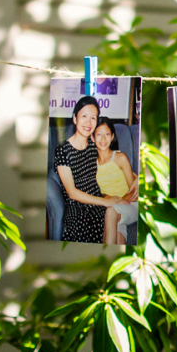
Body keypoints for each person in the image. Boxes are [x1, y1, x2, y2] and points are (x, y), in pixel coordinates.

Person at [55, 96, 122, 243]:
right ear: (74, 118)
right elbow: (72, 193)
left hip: (98, 202)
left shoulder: (94, 146)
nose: (88, 122)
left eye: (93, 118)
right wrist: (105, 202)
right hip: (77, 209)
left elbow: (114, 162)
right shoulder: (62, 150)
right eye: (84, 116)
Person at [93, 118, 138, 246]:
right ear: (92, 137)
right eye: (99, 134)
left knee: (111, 212)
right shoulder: (91, 165)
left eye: (107, 134)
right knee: (118, 237)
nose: (103, 139)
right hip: (114, 208)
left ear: (112, 136)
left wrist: (118, 200)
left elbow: (134, 191)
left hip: (131, 205)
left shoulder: (120, 158)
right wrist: (107, 199)